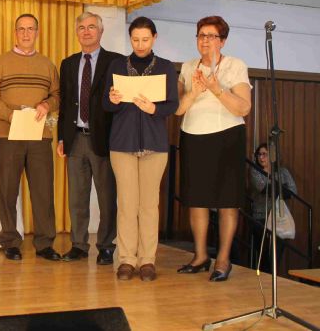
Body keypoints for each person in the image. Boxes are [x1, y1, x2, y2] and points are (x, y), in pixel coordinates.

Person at [176, 16, 252, 282]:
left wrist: (216, 88)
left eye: (210, 36)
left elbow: (243, 108)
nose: (204, 40)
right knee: (196, 199)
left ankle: (223, 258)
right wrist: (195, 92)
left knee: (227, 200)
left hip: (227, 137)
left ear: (223, 41)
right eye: (201, 35)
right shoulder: (187, 67)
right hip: (193, 135)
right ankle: (199, 256)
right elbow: (177, 109)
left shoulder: (235, 66)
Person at [103, 16, 178, 281]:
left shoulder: (166, 67)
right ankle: (126, 260)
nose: (140, 44)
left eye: (145, 39)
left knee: (148, 205)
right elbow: (106, 105)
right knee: (126, 204)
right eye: (135, 39)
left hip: (155, 145)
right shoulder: (117, 65)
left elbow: (173, 106)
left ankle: (147, 260)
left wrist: (154, 109)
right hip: (122, 144)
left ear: (154, 38)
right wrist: (112, 100)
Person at [0, 14, 61, 261]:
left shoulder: (48, 65)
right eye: (21, 29)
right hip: (8, 135)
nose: (26, 33)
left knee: (43, 191)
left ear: (37, 32)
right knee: (8, 190)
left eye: (30, 29)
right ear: (15, 32)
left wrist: (46, 104)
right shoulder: (0, 63)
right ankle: (10, 241)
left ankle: (44, 243)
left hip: (40, 135)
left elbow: (57, 96)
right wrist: (11, 116)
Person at [57, 11, 122, 265]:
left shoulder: (115, 61)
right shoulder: (69, 63)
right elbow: (64, 104)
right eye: (82, 27)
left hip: (104, 140)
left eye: (92, 27)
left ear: (101, 31)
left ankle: (106, 246)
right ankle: (79, 245)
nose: (86, 31)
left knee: (107, 198)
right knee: (77, 197)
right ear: (77, 32)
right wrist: (62, 137)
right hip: (75, 139)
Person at [249, 143, 298, 270]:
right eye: (259, 154)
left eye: (264, 154)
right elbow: (264, 188)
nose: (261, 157)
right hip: (261, 217)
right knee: (265, 253)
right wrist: (282, 189)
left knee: (277, 254)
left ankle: (272, 278)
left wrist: (278, 190)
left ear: (272, 156)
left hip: (279, 218)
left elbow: (293, 192)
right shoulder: (255, 170)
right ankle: (265, 279)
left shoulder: (283, 172)